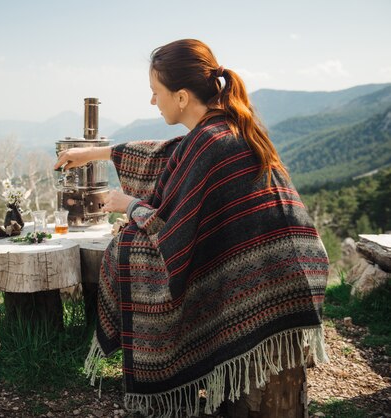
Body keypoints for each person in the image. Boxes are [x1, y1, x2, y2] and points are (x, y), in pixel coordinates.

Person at [54, 39, 328, 417]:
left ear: (181, 97)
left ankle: (185, 393)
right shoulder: (219, 128)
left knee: (134, 252)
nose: (152, 102)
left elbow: (173, 235)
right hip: (287, 269)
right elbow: (166, 154)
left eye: (155, 93)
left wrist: (129, 205)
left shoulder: (214, 143)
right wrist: (94, 153)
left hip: (272, 280)